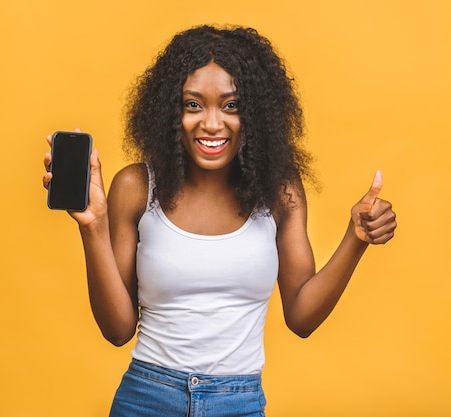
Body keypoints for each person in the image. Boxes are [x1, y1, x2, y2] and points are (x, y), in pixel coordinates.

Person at [42, 25, 396, 417]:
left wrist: (356, 238)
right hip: (147, 398)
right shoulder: (136, 186)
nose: (211, 124)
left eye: (231, 105)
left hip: (239, 402)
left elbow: (301, 316)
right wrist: (93, 228)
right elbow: (117, 331)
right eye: (193, 104)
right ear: (170, 112)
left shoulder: (279, 190)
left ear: (256, 114)